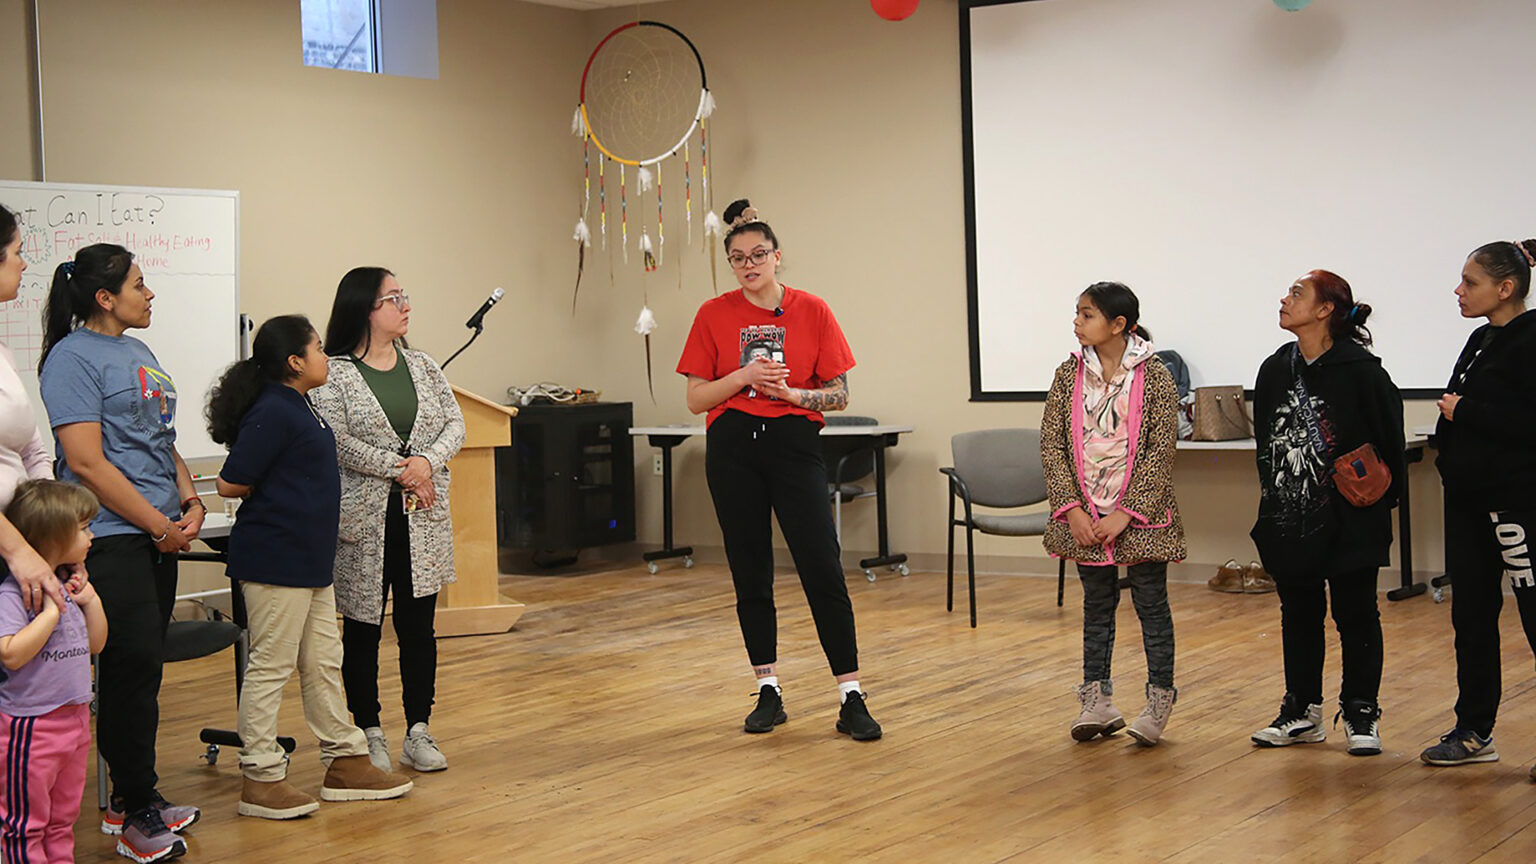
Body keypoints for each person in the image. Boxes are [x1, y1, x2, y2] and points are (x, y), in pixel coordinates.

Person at [676, 198, 882, 741]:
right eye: (739, 257)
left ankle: (851, 695)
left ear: (777, 257)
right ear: (731, 263)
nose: (749, 264)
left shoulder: (813, 310)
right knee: (750, 569)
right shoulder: (712, 314)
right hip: (733, 446)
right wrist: (744, 376)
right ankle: (767, 688)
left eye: (759, 254)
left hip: (794, 443)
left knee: (822, 564)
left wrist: (791, 392)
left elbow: (839, 395)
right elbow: (696, 400)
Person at [207, 315, 414, 819]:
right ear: (294, 362)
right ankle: (260, 776)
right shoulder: (274, 409)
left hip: (310, 559)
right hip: (277, 557)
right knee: (271, 666)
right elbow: (231, 481)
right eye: (318, 350)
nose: (326, 357)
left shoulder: (302, 404)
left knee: (323, 661)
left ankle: (344, 762)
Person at [37, 243, 201, 863]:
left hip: (158, 529)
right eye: (139, 283)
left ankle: (134, 798)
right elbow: (84, 462)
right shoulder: (71, 358)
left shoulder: (139, 351)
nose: (149, 292)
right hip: (112, 535)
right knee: (129, 674)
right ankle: (135, 812)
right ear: (105, 298)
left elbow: (161, 440)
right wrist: (159, 525)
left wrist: (188, 499)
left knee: (144, 670)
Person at [311, 268, 464, 773]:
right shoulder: (333, 371)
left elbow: (454, 423)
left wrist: (427, 463)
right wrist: (402, 468)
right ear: (364, 308)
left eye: (404, 296)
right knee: (362, 628)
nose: (405, 306)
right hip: (364, 521)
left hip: (422, 517)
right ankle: (369, 730)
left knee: (419, 628)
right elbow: (334, 438)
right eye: (393, 298)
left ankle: (419, 729)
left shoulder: (422, 365)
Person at [1248, 271, 1404, 756]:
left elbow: (1390, 448)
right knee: (1298, 612)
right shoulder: (1275, 369)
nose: (1284, 299)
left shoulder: (1363, 372)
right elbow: (1265, 446)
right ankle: (1301, 710)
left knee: (1356, 612)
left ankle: (1361, 711)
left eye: (1296, 294)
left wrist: (1372, 506)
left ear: (1325, 311)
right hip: (1289, 518)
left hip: (1350, 520)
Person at [1041, 281, 1184, 746]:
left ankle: (1159, 700)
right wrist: (1073, 510)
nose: (1077, 323)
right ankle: (1096, 700)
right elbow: (1053, 444)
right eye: (1078, 314)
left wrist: (1127, 513)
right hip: (1085, 514)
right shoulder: (1068, 375)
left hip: (1138, 516)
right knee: (1097, 606)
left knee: (1150, 605)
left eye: (1087, 315)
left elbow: (1160, 450)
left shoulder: (1155, 375)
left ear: (1118, 324)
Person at [1420, 239, 1536, 778]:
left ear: (1505, 288)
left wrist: (1467, 411)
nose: (1459, 290)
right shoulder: (1479, 338)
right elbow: (1454, 405)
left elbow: (1521, 422)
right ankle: (1474, 730)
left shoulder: (1532, 341)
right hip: (1467, 501)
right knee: (1471, 616)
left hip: (1515, 502)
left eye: (1470, 282)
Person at [0, 480, 108, 864]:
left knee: (63, 819)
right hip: (32, 727)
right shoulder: (16, 593)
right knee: (25, 824)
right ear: (52, 536)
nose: (92, 535)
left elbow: (96, 645)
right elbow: (10, 654)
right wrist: (50, 614)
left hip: (74, 719)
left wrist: (89, 600)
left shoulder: (67, 586)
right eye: (83, 528)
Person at [0, 205, 67, 618]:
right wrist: (19, 550)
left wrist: (53, 532)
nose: (25, 264)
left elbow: (33, 452)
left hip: (19, 542)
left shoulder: (2, 353)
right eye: (17, 251)